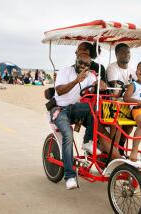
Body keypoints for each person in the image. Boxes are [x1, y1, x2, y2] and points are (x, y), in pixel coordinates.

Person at [52, 52, 108, 190]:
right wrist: (76, 80)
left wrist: (99, 85)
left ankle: (87, 142)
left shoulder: (90, 75)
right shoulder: (65, 71)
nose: (83, 66)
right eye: (80, 63)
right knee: (68, 135)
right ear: (76, 61)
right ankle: (70, 176)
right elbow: (59, 91)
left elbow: (94, 87)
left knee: (95, 109)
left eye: (87, 65)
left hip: (76, 108)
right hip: (60, 109)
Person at [106, 43, 137, 155]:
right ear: (116, 54)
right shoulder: (112, 67)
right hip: (115, 104)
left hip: (128, 103)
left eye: (128, 52)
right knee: (119, 121)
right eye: (123, 52)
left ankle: (122, 144)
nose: (126, 54)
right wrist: (130, 87)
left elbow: (140, 85)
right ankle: (114, 151)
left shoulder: (132, 70)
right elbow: (116, 89)